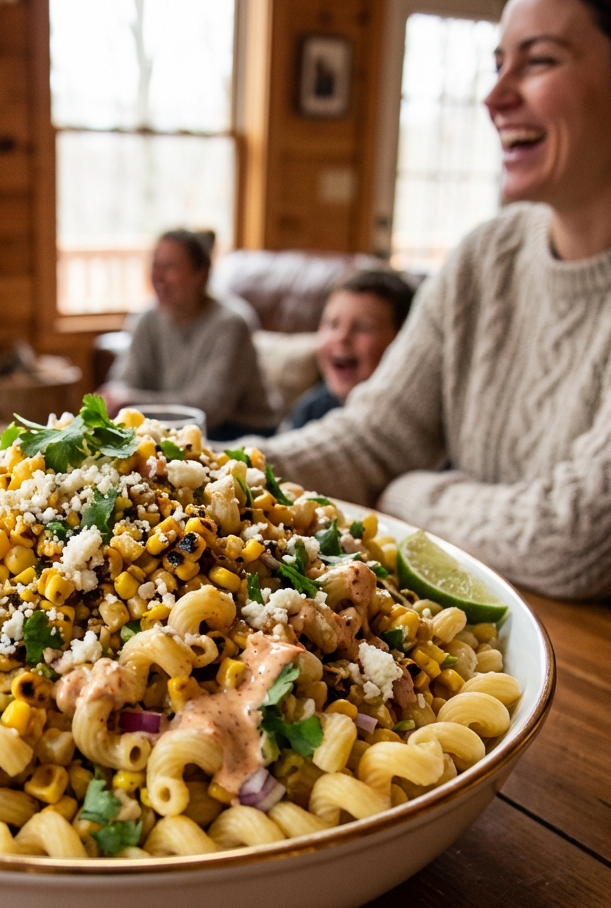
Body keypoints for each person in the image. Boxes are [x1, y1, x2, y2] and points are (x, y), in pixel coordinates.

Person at [257, 0, 611, 600]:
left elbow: (575, 540)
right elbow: (372, 441)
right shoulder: (486, 255)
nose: (495, 97)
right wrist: (193, 466)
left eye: (540, 60)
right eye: (498, 64)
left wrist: (403, 494)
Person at [100, 229, 275, 440]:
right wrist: (116, 397)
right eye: (155, 265)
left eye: (170, 267)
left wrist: (130, 401)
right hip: (174, 428)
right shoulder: (146, 319)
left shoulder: (231, 324)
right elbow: (123, 381)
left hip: (238, 431)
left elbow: (210, 410)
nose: (158, 277)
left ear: (201, 273)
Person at [281, 269, 415, 431]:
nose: (341, 337)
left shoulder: (413, 419)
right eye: (332, 324)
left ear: (402, 341)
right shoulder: (312, 408)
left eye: (363, 327)